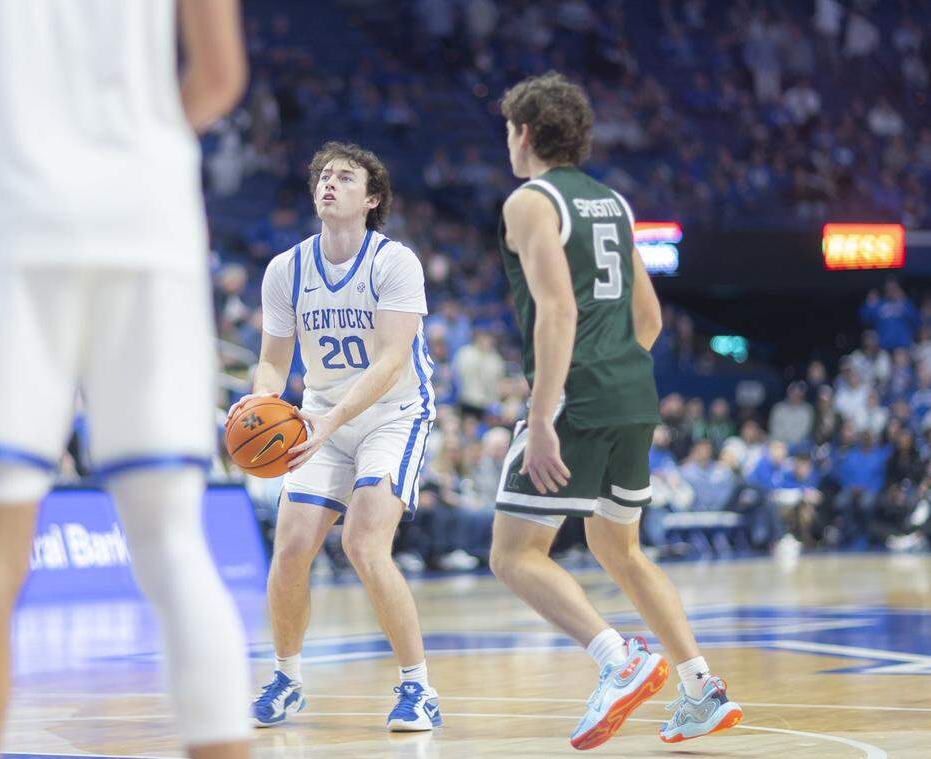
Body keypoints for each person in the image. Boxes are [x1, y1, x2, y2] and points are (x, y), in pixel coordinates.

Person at [0, 2, 249, 759]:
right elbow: (219, 74)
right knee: (175, 542)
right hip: (151, 231)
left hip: (13, 223)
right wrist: (131, 154)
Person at [486, 73, 742, 751]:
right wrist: (617, 370)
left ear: (526, 132)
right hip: (633, 390)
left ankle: (617, 658)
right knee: (617, 546)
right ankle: (701, 689)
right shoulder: (613, 203)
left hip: (576, 392)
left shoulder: (530, 201)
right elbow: (649, 316)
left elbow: (558, 309)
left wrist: (543, 416)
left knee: (513, 554)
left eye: (509, 129)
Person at [228, 142, 440, 732]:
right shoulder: (286, 269)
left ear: (371, 199)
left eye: (345, 177)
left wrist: (329, 421)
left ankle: (417, 689)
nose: (329, 183)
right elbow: (273, 363)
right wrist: (263, 399)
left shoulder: (394, 262)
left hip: (394, 413)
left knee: (364, 544)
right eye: (323, 175)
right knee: (292, 547)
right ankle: (287, 678)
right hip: (320, 414)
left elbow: (392, 361)